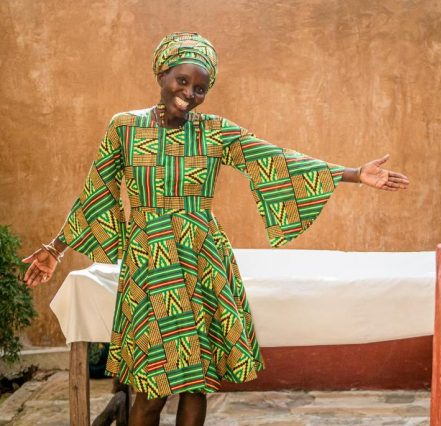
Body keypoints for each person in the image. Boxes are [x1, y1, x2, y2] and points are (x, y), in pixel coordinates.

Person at [22, 32, 410, 426]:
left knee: (196, 383)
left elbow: (275, 159)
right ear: (161, 73)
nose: (189, 94)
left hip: (202, 260)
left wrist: (355, 174)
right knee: (151, 388)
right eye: (182, 81)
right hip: (150, 265)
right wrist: (55, 249)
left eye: (200, 88)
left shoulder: (214, 131)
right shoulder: (124, 127)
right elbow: (97, 191)